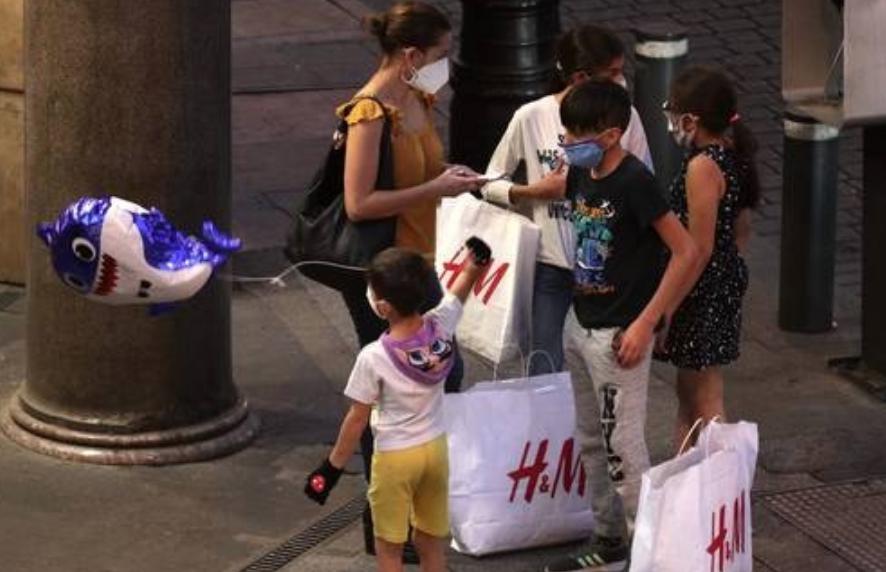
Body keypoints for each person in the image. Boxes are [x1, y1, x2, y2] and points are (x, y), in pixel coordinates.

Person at [335, 1, 484, 556]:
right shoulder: (369, 113)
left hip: (419, 260)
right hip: (384, 272)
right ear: (412, 56)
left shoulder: (418, 98)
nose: (446, 65)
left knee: (438, 373)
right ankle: (389, 528)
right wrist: (433, 190)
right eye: (441, 55)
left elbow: (422, 170)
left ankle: (418, 511)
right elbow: (358, 202)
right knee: (395, 389)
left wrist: (448, 179)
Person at [538, 81, 698, 572]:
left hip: (619, 336)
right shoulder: (581, 175)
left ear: (609, 135)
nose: (566, 142)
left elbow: (685, 250)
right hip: (580, 323)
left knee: (623, 452)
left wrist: (647, 322)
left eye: (576, 134)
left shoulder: (634, 182)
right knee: (592, 442)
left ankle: (648, 553)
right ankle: (609, 541)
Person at [304, 238, 492, 572]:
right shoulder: (440, 328)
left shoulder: (373, 358)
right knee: (431, 543)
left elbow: (356, 419)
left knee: (389, 549)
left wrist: (330, 469)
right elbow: (457, 295)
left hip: (394, 459)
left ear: (383, 307)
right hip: (435, 451)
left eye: (373, 292)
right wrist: (474, 268)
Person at [481, 25, 653, 377]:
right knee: (544, 366)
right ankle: (550, 430)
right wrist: (532, 192)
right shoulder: (531, 117)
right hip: (551, 264)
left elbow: (643, 182)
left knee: (601, 368)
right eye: (613, 74)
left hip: (605, 264)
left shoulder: (626, 117)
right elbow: (489, 183)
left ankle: (586, 429)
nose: (621, 82)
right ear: (580, 77)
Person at [657, 66, 761, 447]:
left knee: (704, 399)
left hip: (701, 294)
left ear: (691, 119)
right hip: (720, 286)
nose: (671, 123)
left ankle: (718, 489)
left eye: (674, 114)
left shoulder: (702, 167)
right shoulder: (733, 156)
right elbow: (740, 229)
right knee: (691, 394)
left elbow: (698, 248)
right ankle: (687, 482)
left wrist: (666, 308)